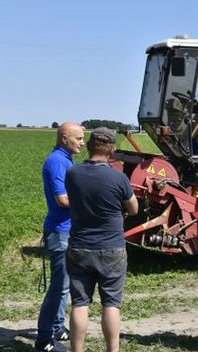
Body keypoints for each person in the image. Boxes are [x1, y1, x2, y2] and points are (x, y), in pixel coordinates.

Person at [65, 127, 138, 352]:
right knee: (111, 304)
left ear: (88, 146)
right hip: (111, 248)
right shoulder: (119, 178)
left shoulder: (72, 173)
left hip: (79, 246)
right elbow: (133, 208)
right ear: (112, 150)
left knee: (79, 303)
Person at [35, 122, 85, 352]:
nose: (82, 143)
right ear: (64, 138)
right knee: (58, 287)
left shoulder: (65, 160)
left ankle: (56, 328)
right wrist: (90, 204)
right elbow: (62, 200)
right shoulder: (57, 162)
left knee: (64, 287)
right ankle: (44, 339)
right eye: (78, 139)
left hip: (66, 230)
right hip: (60, 231)